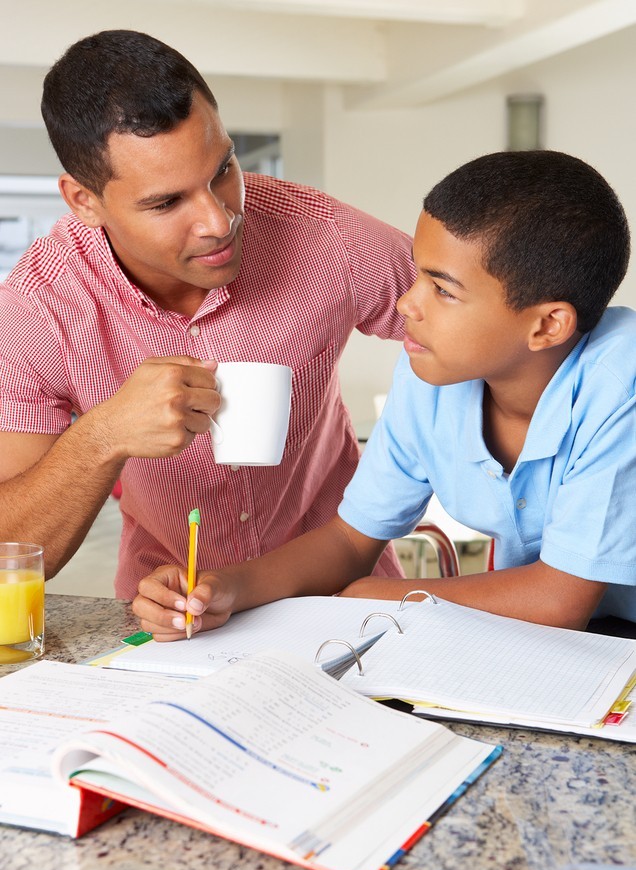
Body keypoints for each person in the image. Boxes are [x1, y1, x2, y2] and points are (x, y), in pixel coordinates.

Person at [133, 149, 636, 639]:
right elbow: (349, 539)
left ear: (548, 325)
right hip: (565, 645)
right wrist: (226, 588)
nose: (406, 302)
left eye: (443, 290)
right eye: (418, 274)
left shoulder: (621, 385)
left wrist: (376, 596)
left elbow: (559, 601)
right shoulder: (430, 377)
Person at [0, 30, 416, 599]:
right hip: (171, 607)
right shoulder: (40, 306)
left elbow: (492, 325)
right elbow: (9, 549)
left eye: (222, 170)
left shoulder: (325, 237)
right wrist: (104, 436)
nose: (219, 222)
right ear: (83, 201)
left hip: (344, 598)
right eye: (166, 202)